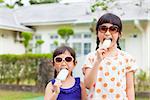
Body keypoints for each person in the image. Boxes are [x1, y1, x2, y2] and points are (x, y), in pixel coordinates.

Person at [82, 13, 137, 100]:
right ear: (97, 33)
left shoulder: (127, 58)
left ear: (119, 34)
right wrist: (98, 61)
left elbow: (129, 88)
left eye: (113, 29)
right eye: (103, 28)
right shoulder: (91, 57)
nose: (107, 33)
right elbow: (88, 85)